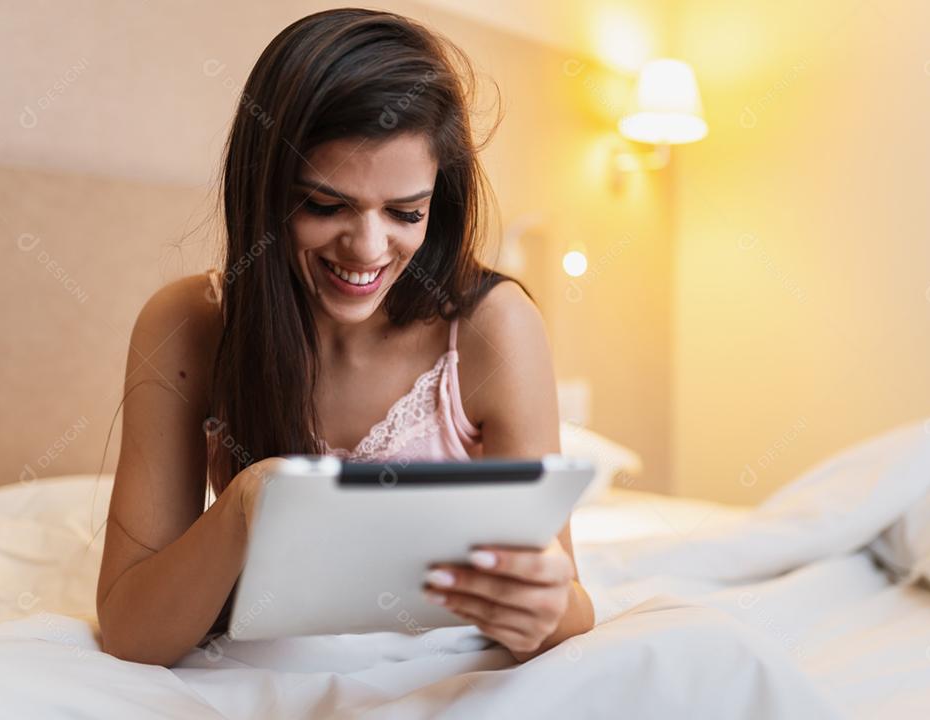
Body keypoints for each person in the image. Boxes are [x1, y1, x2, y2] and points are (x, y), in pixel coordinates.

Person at [96, 8, 594, 667]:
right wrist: (248, 504)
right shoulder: (190, 324)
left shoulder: (490, 326)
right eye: (326, 205)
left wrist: (547, 605)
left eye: (405, 212)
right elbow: (132, 632)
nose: (367, 248)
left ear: (436, 203)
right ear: (264, 193)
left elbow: (573, 605)